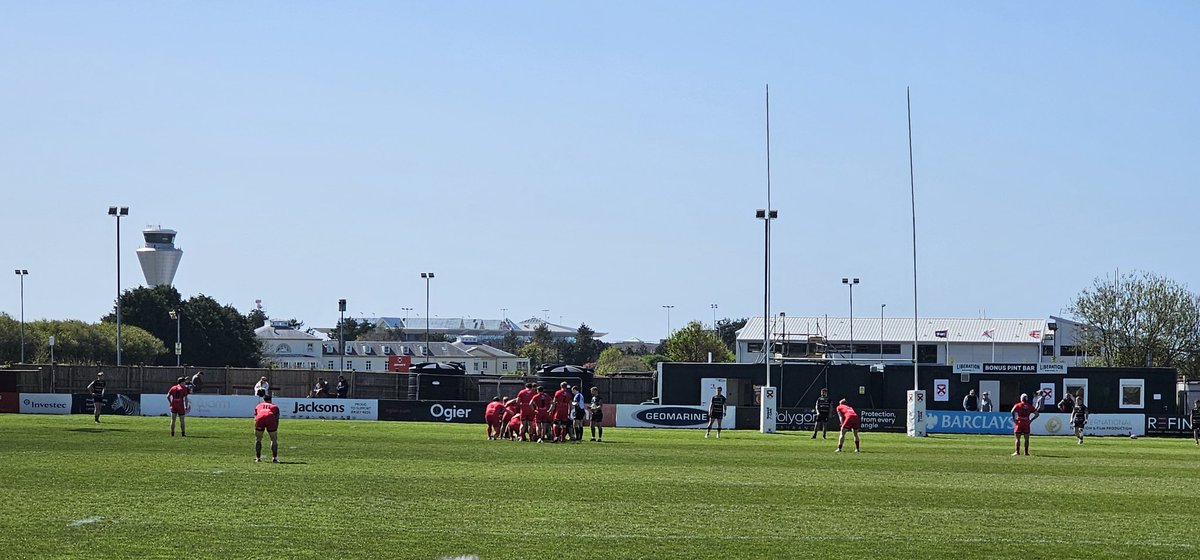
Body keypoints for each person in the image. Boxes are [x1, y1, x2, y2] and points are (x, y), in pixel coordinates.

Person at [254, 394, 281, 463]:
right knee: (273, 439)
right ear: (271, 399)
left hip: (260, 418)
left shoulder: (258, 406)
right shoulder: (275, 407)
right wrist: (275, 428)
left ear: (263, 400)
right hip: (270, 418)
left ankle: (258, 458)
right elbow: (276, 419)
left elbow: (255, 418)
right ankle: (274, 458)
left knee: (258, 439)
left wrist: (256, 428)